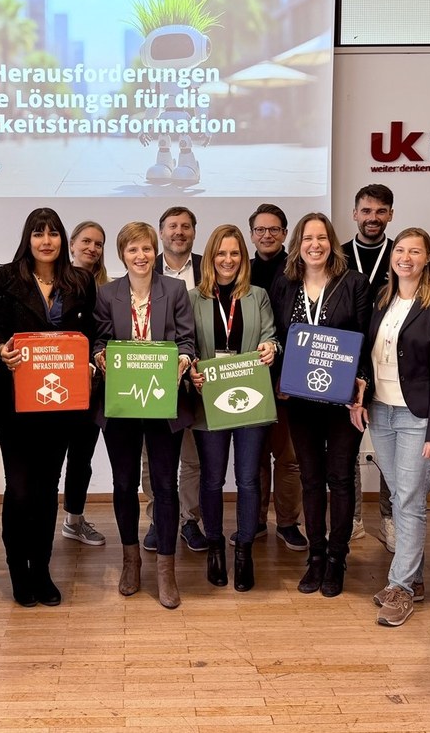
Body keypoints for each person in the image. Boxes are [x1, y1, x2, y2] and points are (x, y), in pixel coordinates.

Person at [0, 208, 97, 606]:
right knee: (19, 490)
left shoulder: (79, 280)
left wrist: (87, 358)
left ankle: (42, 569)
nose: (46, 241)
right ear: (28, 239)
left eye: (53, 233)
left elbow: (90, 334)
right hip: (17, 405)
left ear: (62, 239)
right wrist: (2, 349)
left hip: (62, 406)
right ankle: (19, 570)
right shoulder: (6, 278)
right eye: (38, 233)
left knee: (47, 490)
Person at [359, 228, 430, 627]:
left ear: (427, 257)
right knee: (400, 494)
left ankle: (400, 587)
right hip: (381, 412)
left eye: (414, 251)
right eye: (400, 250)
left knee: (411, 500)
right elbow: (370, 357)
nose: (405, 257)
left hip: (418, 416)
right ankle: (413, 579)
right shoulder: (382, 300)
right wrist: (360, 394)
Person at [93, 221, 196, 609]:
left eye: (147, 249)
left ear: (156, 252)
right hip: (121, 404)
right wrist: (101, 357)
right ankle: (131, 560)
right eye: (133, 250)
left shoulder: (174, 290)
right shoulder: (107, 293)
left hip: (162, 402)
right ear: (122, 255)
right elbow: (100, 340)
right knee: (123, 485)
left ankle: (166, 571)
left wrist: (182, 361)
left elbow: (186, 340)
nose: (141, 256)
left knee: (165, 486)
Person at [269, 212, 371, 598]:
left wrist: (362, 382)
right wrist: (277, 369)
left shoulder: (354, 283)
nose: (315, 244)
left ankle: (337, 558)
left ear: (332, 243)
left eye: (322, 238)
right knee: (311, 477)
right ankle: (315, 556)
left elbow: (364, 336)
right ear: (298, 244)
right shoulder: (286, 284)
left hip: (343, 399)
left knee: (340, 477)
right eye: (308, 238)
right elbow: (280, 336)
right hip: (301, 398)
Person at [188, 224, 278, 591]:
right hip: (209, 400)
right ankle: (214, 547)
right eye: (221, 253)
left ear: (243, 258)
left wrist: (273, 348)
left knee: (247, 479)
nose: (228, 260)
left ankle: (243, 548)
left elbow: (271, 335)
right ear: (210, 258)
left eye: (235, 253)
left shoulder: (258, 296)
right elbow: (186, 344)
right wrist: (190, 365)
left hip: (250, 399)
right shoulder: (193, 297)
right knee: (211, 480)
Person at [144, 205, 207, 553]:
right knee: (149, 458)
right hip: (151, 379)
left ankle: (189, 520)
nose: (178, 232)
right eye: (172, 226)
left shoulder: (208, 268)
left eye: (185, 226)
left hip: (196, 378)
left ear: (194, 231)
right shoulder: (143, 267)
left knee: (192, 458)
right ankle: (157, 519)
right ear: (161, 232)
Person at [340, 184, 396, 549]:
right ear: (355, 213)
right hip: (347, 361)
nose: (372, 218)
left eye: (380, 211)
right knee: (346, 447)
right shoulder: (338, 256)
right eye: (366, 210)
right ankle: (354, 518)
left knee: (392, 450)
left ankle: (390, 520)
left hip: (391, 363)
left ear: (390, 214)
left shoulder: (401, 254)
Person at [248, 204, 306, 552]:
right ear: (252, 233)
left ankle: (287, 523)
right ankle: (255, 519)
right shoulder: (243, 269)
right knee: (254, 455)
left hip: (288, 378)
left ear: (285, 233)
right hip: (250, 376)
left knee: (288, 457)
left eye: (274, 229)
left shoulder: (298, 270)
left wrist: (287, 375)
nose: (267, 235)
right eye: (260, 229)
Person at [60, 220, 109, 546]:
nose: (92, 248)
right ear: (72, 244)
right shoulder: (55, 283)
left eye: (99, 243)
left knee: (82, 456)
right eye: (86, 241)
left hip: (92, 387)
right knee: (50, 456)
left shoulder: (108, 288)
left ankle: (74, 520)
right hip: (54, 382)